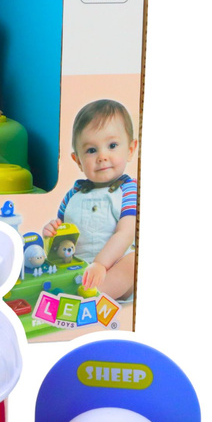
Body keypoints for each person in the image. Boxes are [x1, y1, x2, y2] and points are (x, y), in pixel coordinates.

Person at [43, 99, 138, 301]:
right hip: (77, 269)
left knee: (135, 260)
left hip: (114, 271)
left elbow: (126, 233)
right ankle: (73, 292)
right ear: (78, 160)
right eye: (91, 150)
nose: (102, 156)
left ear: (130, 150)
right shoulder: (72, 195)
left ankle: (91, 297)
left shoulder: (129, 190)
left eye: (112, 146)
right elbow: (63, 234)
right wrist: (51, 232)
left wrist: (101, 264)